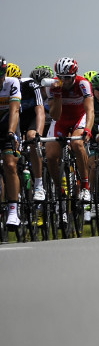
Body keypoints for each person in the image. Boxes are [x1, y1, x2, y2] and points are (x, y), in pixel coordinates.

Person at [47, 57, 95, 211]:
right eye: (60, 77)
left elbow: (90, 111)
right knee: (50, 156)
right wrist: (57, 95)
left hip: (79, 118)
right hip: (61, 119)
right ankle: (58, 188)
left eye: (67, 78)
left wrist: (88, 129)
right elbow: (54, 116)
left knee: (77, 144)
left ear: (74, 75)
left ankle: (85, 186)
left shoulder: (83, 84)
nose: (64, 81)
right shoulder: (52, 85)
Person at [20, 66, 49, 202]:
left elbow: (40, 112)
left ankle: (38, 185)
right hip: (18, 119)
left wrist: (39, 134)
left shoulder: (31, 85)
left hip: (32, 118)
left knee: (32, 138)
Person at [1, 56, 22, 226]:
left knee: (10, 164)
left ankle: (13, 211)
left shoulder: (12, 83)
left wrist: (10, 132)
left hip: (10, 125)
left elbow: (15, 111)